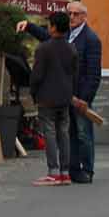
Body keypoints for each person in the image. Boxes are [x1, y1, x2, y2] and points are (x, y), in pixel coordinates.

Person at [30, 11, 79, 187]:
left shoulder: (44, 48)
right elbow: (74, 73)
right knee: (64, 133)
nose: (48, 27)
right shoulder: (71, 48)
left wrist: (33, 92)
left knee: (50, 133)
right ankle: (65, 172)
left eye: (50, 24)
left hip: (47, 97)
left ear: (54, 27)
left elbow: (37, 75)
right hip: (65, 97)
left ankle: (53, 171)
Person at [67, 2, 103, 183]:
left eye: (75, 14)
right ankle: (74, 169)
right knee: (70, 133)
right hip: (67, 94)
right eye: (70, 13)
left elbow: (93, 73)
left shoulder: (91, 39)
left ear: (83, 17)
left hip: (81, 95)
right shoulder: (67, 35)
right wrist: (29, 27)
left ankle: (87, 169)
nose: (71, 17)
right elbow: (47, 37)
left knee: (83, 134)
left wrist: (85, 98)